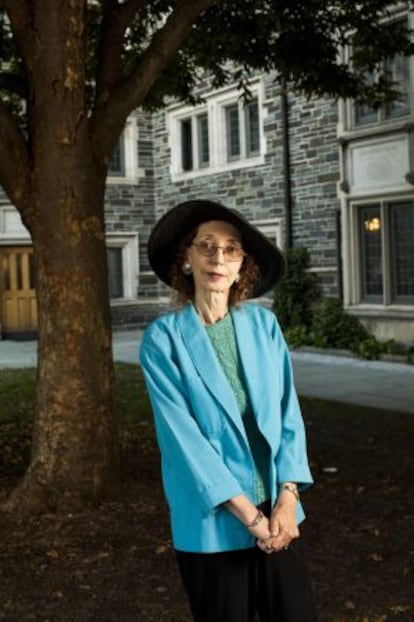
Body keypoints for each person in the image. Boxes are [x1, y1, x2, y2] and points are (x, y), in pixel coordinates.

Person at [139, 199, 317, 622]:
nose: (219, 257)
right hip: (213, 526)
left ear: (242, 266)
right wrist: (251, 518)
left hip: (280, 515)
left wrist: (288, 499)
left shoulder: (264, 327)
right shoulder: (163, 341)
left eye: (231, 248)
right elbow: (185, 445)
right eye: (206, 245)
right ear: (186, 260)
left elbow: (288, 414)